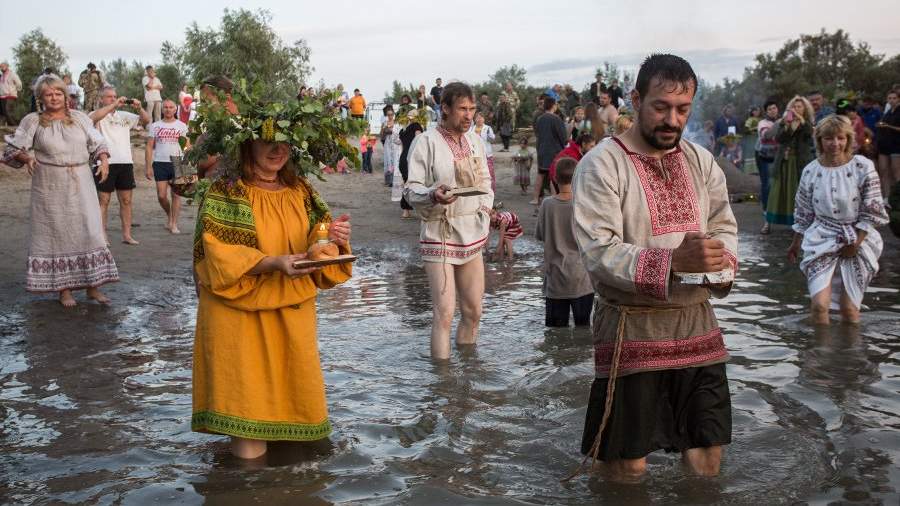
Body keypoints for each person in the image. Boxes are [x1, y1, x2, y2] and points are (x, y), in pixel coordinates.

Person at [572, 54, 738, 481]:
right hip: (632, 326)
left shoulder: (700, 161)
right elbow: (598, 251)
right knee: (626, 466)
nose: (672, 119)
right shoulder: (602, 164)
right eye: (660, 107)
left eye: (682, 110)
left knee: (706, 457)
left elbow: (723, 224)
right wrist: (671, 263)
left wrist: (717, 264)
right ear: (635, 99)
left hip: (697, 322)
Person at [191, 128, 353, 460]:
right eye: (269, 141)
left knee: (293, 411)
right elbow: (216, 254)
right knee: (247, 419)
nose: (279, 149)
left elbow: (316, 237)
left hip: (291, 309)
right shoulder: (227, 191)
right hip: (237, 315)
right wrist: (272, 263)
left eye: (285, 140)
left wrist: (331, 237)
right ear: (248, 143)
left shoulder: (301, 189)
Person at [1, 74, 118, 307]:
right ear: (41, 98)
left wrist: (104, 160)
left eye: (58, 93)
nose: (54, 98)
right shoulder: (33, 121)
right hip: (49, 184)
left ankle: (93, 287)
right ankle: (64, 290)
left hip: (81, 180)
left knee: (90, 231)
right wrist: (27, 158)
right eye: (48, 94)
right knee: (57, 233)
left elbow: (97, 142)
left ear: (65, 96)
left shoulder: (80, 118)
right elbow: (11, 149)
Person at [403, 82, 494, 360]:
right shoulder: (426, 142)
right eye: (462, 109)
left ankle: (467, 375)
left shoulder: (476, 141)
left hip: (472, 231)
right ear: (445, 109)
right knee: (444, 313)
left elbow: (486, 183)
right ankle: (443, 385)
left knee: (473, 311)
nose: (469, 115)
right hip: (440, 231)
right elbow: (410, 188)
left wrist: (486, 211)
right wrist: (432, 195)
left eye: (472, 109)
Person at [787, 114, 888, 324]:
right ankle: (820, 355)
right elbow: (804, 211)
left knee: (849, 310)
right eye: (829, 138)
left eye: (840, 138)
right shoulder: (811, 170)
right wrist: (795, 242)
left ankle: (851, 354)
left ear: (848, 139)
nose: (835, 144)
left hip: (858, 238)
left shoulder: (863, 166)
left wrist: (856, 243)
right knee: (819, 306)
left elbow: (872, 208)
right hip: (821, 237)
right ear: (820, 140)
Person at [89, 85, 151, 245]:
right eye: (109, 96)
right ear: (101, 99)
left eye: (114, 96)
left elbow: (146, 121)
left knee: (126, 201)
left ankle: (127, 235)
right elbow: (92, 119)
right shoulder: (96, 114)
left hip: (125, 162)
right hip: (104, 162)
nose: (113, 98)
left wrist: (139, 108)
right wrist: (113, 105)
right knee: (103, 200)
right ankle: (102, 236)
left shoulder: (124, 115)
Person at [536, 157, 593, 327]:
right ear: (578, 178)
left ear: (554, 178)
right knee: (583, 331)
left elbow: (540, 235)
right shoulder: (584, 204)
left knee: (555, 334)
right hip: (582, 279)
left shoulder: (547, 204)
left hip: (555, 280)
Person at [762, 96, 815, 232]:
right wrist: (786, 126)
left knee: (798, 192)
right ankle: (768, 223)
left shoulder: (808, 122)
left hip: (800, 162)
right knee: (776, 192)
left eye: (799, 107)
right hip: (784, 161)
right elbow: (779, 139)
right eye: (794, 106)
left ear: (805, 109)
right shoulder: (785, 121)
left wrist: (801, 121)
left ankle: (799, 223)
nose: (797, 109)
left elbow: (810, 135)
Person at [145, 99, 189, 234]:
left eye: (171, 107)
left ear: (175, 109)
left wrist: (188, 165)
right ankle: (169, 214)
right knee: (162, 196)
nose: (168, 109)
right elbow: (149, 146)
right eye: (166, 107)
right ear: (162, 109)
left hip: (178, 161)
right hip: (160, 162)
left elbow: (187, 146)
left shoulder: (182, 126)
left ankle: (174, 224)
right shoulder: (155, 126)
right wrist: (148, 166)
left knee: (176, 195)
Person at [533, 96, 567, 206]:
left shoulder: (540, 119)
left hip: (542, 149)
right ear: (554, 106)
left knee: (541, 174)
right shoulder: (556, 119)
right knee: (553, 175)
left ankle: (535, 198)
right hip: (554, 151)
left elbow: (537, 134)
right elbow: (563, 136)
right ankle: (554, 198)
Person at [755, 100, 780, 221]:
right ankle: (766, 209)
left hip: (778, 157)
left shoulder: (782, 122)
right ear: (766, 111)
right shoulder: (762, 123)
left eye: (774, 108)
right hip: (764, 157)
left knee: (777, 183)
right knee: (767, 183)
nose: (773, 110)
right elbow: (767, 135)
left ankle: (776, 208)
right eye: (770, 109)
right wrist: (779, 124)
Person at [398, 109, 424, 219]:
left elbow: (415, 142)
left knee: (409, 183)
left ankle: (407, 209)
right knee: (411, 183)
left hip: (407, 157)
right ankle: (409, 209)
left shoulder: (409, 128)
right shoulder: (412, 126)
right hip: (408, 157)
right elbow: (417, 141)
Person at [875, 89, 900, 198]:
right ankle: (886, 198)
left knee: (896, 172)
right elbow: (883, 123)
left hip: (896, 145)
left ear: (898, 99)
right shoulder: (888, 111)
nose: (892, 100)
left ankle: (897, 198)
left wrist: (888, 126)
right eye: (890, 98)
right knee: (883, 171)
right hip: (884, 145)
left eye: (894, 98)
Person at [472, 111, 496, 192]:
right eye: (477, 118)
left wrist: (490, 136)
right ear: (474, 119)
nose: (479, 119)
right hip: (475, 155)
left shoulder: (488, 128)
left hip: (487, 154)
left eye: (481, 118)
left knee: (489, 173)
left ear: (484, 119)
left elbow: (493, 138)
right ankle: (480, 190)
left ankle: (491, 190)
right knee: (478, 173)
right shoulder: (471, 128)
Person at [380, 108, 401, 187]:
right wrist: (385, 131)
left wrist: (392, 131)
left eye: (391, 115)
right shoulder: (384, 123)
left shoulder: (397, 123)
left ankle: (395, 180)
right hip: (388, 143)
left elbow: (399, 133)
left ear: (393, 114)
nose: (390, 116)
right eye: (388, 115)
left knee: (395, 161)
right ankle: (388, 180)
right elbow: (381, 135)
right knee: (388, 160)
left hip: (395, 143)